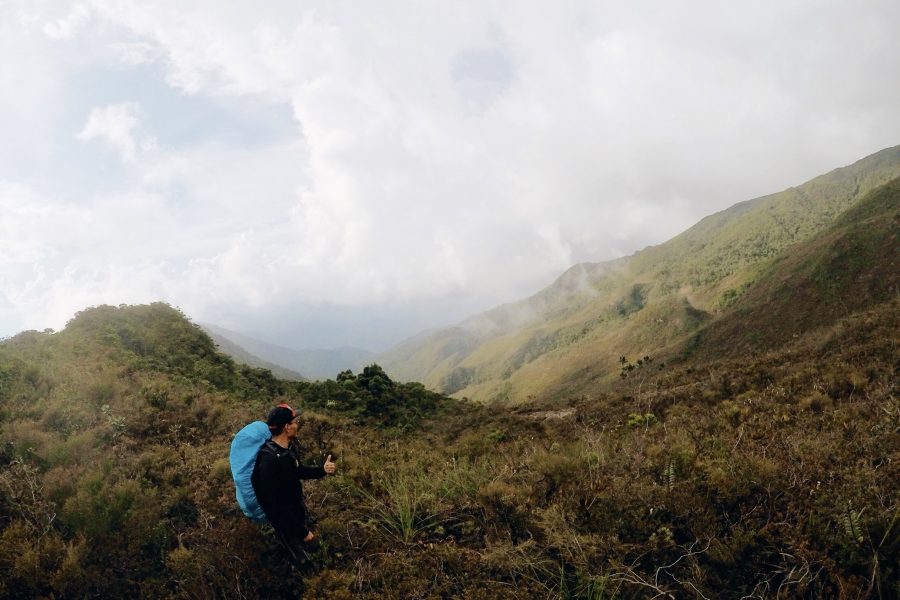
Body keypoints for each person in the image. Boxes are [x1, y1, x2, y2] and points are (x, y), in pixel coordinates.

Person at [251, 403, 337, 567]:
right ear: (286, 427)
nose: (297, 425)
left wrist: (322, 470)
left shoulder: (287, 450)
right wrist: (301, 532)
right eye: (294, 422)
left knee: (308, 552)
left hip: (296, 512)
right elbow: (275, 507)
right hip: (286, 524)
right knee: (302, 562)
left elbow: (298, 471)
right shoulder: (268, 461)